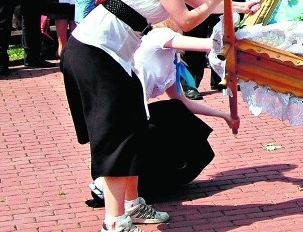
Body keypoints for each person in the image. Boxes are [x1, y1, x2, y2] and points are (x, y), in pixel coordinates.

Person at [61, 0, 254, 232]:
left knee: (136, 127)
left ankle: (134, 204)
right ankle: (114, 220)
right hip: (94, 51)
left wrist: (245, 5)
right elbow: (185, 20)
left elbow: (206, 3)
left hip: (116, 54)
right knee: (117, 136)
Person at [88, 22, 239, 205]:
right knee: (172, 118)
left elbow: (183, 102)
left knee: (177, 113)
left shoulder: (170, 57)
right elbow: (209, 45)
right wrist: (234, 40)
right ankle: (110, 183)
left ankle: (136, 185)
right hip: (122, 114)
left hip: (134, 113)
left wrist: (224, 116)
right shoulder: (159, 35)